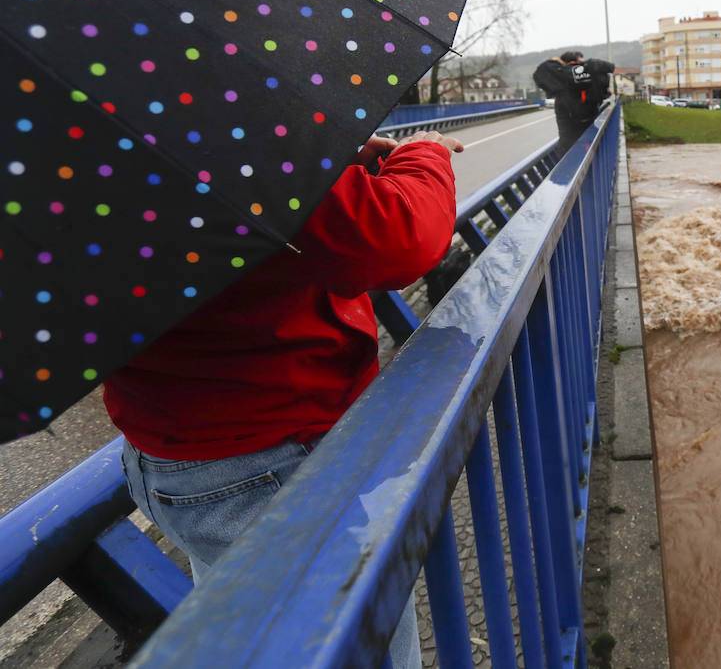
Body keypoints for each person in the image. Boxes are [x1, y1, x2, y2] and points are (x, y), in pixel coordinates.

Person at [104, 128, 463, 669]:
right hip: (276, 459)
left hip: (169, 461)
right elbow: (396, 236)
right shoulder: (199, 113)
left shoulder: (72, 144)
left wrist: (323, 158)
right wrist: (424, 152)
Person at [533, 50, 615, 156]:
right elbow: (610, 70)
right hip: (590, 126)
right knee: (591, 151)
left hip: (568, 136)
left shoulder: (560, 74)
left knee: (568, 149)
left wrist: (555, 61)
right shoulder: (592, 70)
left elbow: (539, 75)